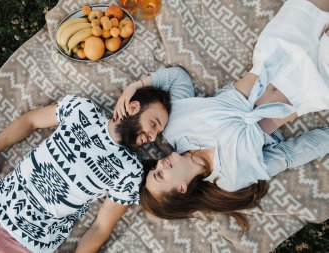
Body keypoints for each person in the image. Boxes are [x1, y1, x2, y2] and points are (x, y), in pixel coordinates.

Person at [114, 0, 329, 232]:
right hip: (311, 85)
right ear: (182, 189)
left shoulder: (174, 127)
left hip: (277, 50)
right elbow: (288, 155)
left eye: (154, 169)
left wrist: (134, 86)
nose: (159, 165)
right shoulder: (231, 178)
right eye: (160, 176)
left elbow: (176, 78)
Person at [0, 87, 170, 253]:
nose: (152, 137)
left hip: (21, 245)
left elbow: (101, 227)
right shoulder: (82, 109)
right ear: (133, 108)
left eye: (158, 133)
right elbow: (30, 120)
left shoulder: (130, 170)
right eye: (154, 124)